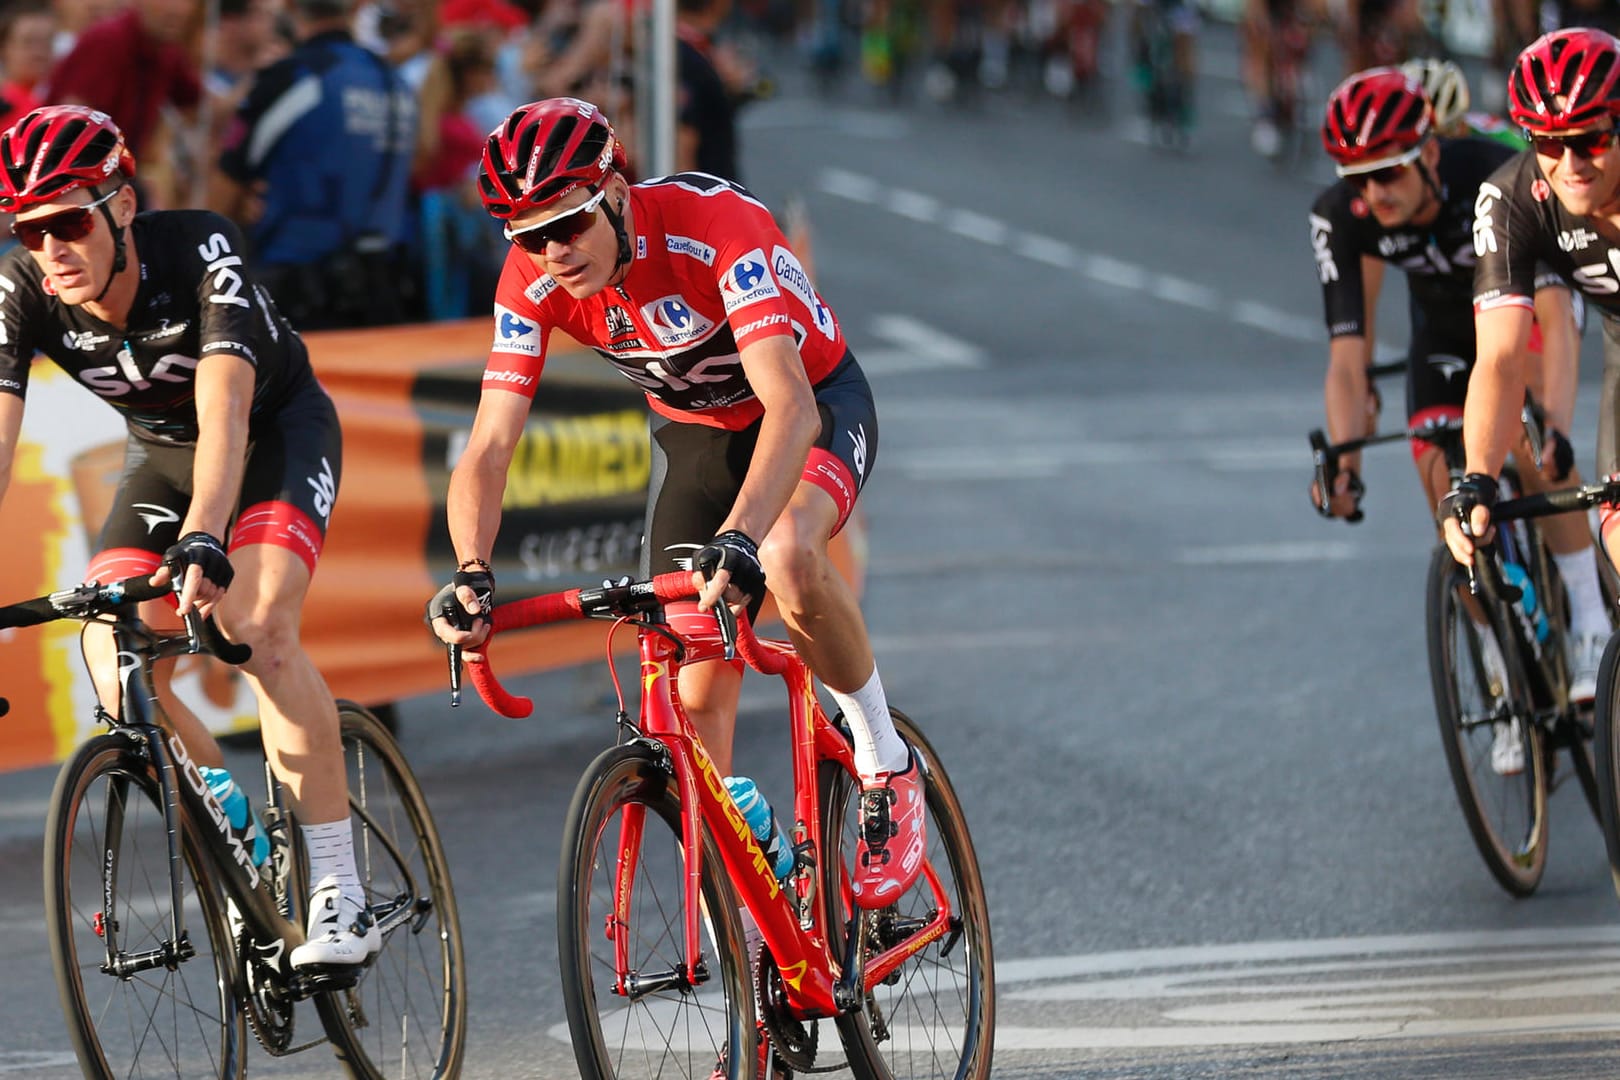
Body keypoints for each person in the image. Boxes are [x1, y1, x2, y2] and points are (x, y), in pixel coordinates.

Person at [427, 98, 926, 909]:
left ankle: (882, 757)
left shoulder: (713, 226)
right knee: (694, 688)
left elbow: (791, 407)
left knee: (789, 553)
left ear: (616, 192)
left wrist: (739, 537)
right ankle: (760, 906)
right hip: (700, 436)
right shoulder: (531, 282)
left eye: (569, 224)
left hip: (813, 402)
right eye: (526, 235)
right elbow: (487, 448)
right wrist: (471, 571)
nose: (551, 251)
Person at [0, 105, 376, 970]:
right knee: (109, 654)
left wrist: (206, 536)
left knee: (258, 628)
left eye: (68, 221)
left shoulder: (202, 248)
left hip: (273, 433)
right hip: (163, 457)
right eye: (29, 227)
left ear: (122, 206)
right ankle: (220, 806)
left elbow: (229, 410)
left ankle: (336, 889)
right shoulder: (24, 288)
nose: (50, 247)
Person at [1311, 69, 1609, 765]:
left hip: (1525, 310)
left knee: (1531, 444)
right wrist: (1346, 462)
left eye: (1387, 173)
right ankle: (1499, 664)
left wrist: (1555, 424)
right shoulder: (1340, 215)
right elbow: (1347, 359)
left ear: (1431, 154)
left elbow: (1553, 331)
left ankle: (1592, 621)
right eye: (1357, 178)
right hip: (1444, 331)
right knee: (1439, 479)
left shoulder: (1493, 177)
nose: (1372, 193)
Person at [1445, 28, 1620, 647]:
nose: (1572, 164)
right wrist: (1477, 481)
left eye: (1592, 139)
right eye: (1549, 140)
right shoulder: (1511, 197)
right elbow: (1499, 357)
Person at [210, 0, 417, 331]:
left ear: (291, 8)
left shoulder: (295, 78)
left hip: (301, 293)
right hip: (387, 289)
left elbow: (227, 180)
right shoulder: (395, 83)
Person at [43, 0, 204, 166]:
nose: (176, 10)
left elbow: (203, 106)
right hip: (76, 171)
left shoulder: (168, 53)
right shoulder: (108, 40)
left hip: (117, 169)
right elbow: (70, 126)